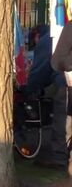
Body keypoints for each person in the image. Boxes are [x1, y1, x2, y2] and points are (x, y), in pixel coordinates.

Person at [26, 25, 68, 170]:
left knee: (61, 119)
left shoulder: (47, 40)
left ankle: (59, 159)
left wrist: (28, 89)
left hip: (67, 81)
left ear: (37, 35)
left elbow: (40, 71)